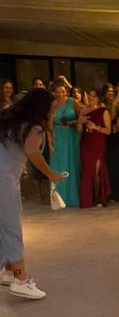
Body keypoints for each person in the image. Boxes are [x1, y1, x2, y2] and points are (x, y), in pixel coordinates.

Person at [0, 88, 65, 299]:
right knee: (11, 227)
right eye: (52, 108)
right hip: (4, 177)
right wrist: (51, 174)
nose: (53, 112)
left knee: (3, 225)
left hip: (5, 174)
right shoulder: (34, 126)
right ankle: (20, 280)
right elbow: (32, 152)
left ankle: (7, 271)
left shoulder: (11, 119)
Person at [49, 81, 82, 207]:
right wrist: (51, 144)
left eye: (62, 91)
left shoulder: (73, 102)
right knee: (58, 165)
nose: (60, 94)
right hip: (57, 136)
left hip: (71, 136)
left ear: (66, 91)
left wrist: (70, 123)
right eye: (57, 92)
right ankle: (58, 199)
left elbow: (80, 118)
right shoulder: (53, 104)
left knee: (71, 165)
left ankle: (72, 198)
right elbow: (49, 127)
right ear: (54, 93)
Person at [77, 88, 112, 208]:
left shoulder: (103, 111)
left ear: (98, 98)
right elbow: (79, 130)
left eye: (94, 96)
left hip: (98, 143)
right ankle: (88, 198)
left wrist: (97, 127)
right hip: (86, 143)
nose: (91, 98)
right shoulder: (83, 111)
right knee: (87, 170)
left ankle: (98, 197)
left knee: (96, 171)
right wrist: (80, 121)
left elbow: (108, 131)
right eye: (89, 96)